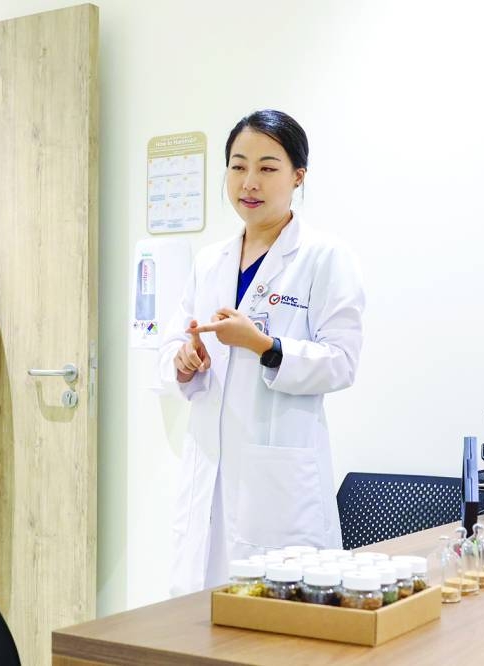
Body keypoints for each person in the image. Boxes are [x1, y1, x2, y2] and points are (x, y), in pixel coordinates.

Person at [159, 109, 365, 595]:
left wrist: (266, 347)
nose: (249, 181)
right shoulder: (211, 261)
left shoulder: (324, 257)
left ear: (298, 176)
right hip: (209, 465)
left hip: (279, 484)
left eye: (268, 168)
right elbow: (175, 339)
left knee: (280, 621)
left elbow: (342, 361)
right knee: (200, 616)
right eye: (237, 165)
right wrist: (184, 361)